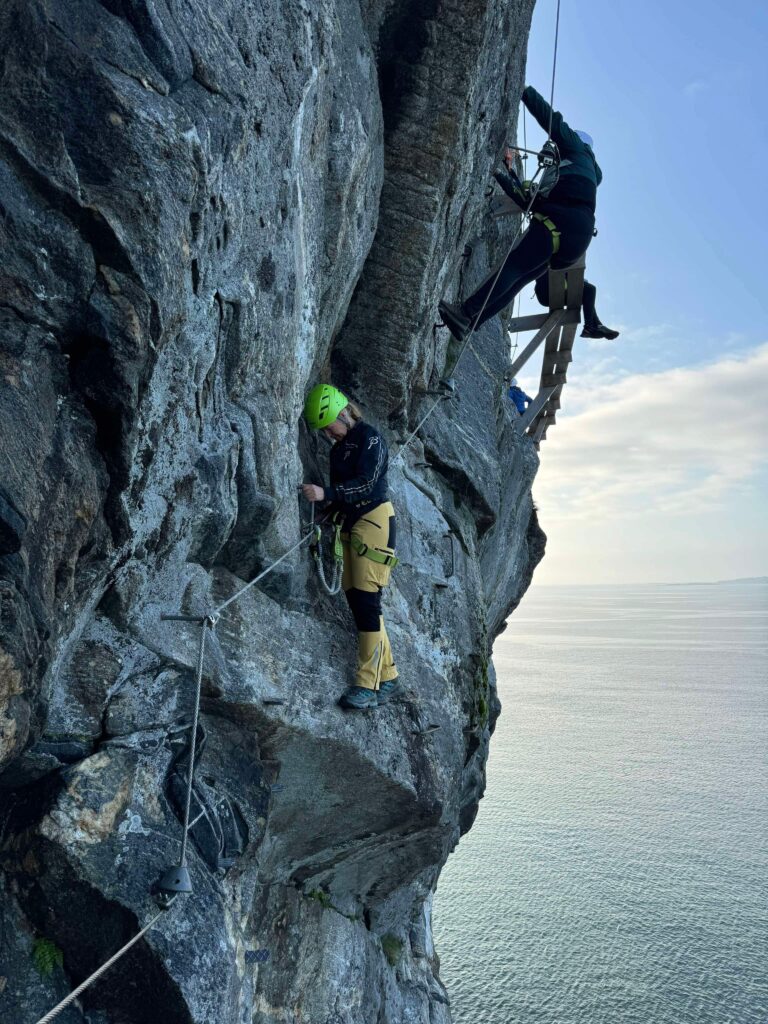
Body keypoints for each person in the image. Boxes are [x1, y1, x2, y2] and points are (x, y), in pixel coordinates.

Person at [439, 85, 602, 342]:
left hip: (559, 223)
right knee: (521, 278)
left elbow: (554, 122)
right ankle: (470, 322)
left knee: (513, 267)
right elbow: (531, 201)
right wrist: (504, 177)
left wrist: (524, 92)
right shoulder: (587, 174)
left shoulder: (575, 150)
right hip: (576, 238)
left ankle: (467, 312)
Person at [302, 384, 400, 711]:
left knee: (368, 601)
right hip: (352, 526)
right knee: (360, 604)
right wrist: (325, 509)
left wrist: (326, 493)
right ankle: (388, 676)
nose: (329, 433)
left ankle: (367, 684)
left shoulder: (370, 438)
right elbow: (343, 493)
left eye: (331, 424)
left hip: (374, 522)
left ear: (343, 413)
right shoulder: (337, 450)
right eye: (325, 429)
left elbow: (366, 484)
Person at [534, 272, 619, 340]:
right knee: (589, 290)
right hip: (548, 290)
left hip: (546, 293)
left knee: (586, 292)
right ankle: (590, 327)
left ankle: (597, 326)